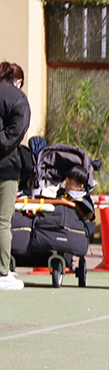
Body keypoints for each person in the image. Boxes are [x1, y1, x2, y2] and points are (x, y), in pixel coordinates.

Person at [0, 61, 30, 292]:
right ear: (17, 81)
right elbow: (16, 133)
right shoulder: (17, 99)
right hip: (6, 167)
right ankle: (2, 271)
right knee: (2, 221)